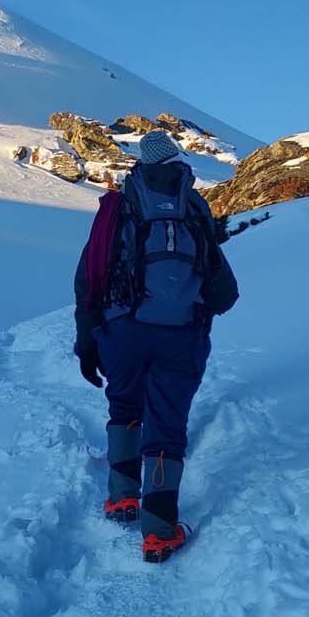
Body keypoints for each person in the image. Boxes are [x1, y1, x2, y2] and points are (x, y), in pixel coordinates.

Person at [72, 129, 239, 563]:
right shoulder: (193, 205)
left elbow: (90, 272)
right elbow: (224, 288)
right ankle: (160, 531)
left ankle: (121, 498)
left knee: (125, 407)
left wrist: (88, 335)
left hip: (122, 328)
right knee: (166, 425)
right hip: (181, 334)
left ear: (141, 163)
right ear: (177, 160)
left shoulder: (118, 204)